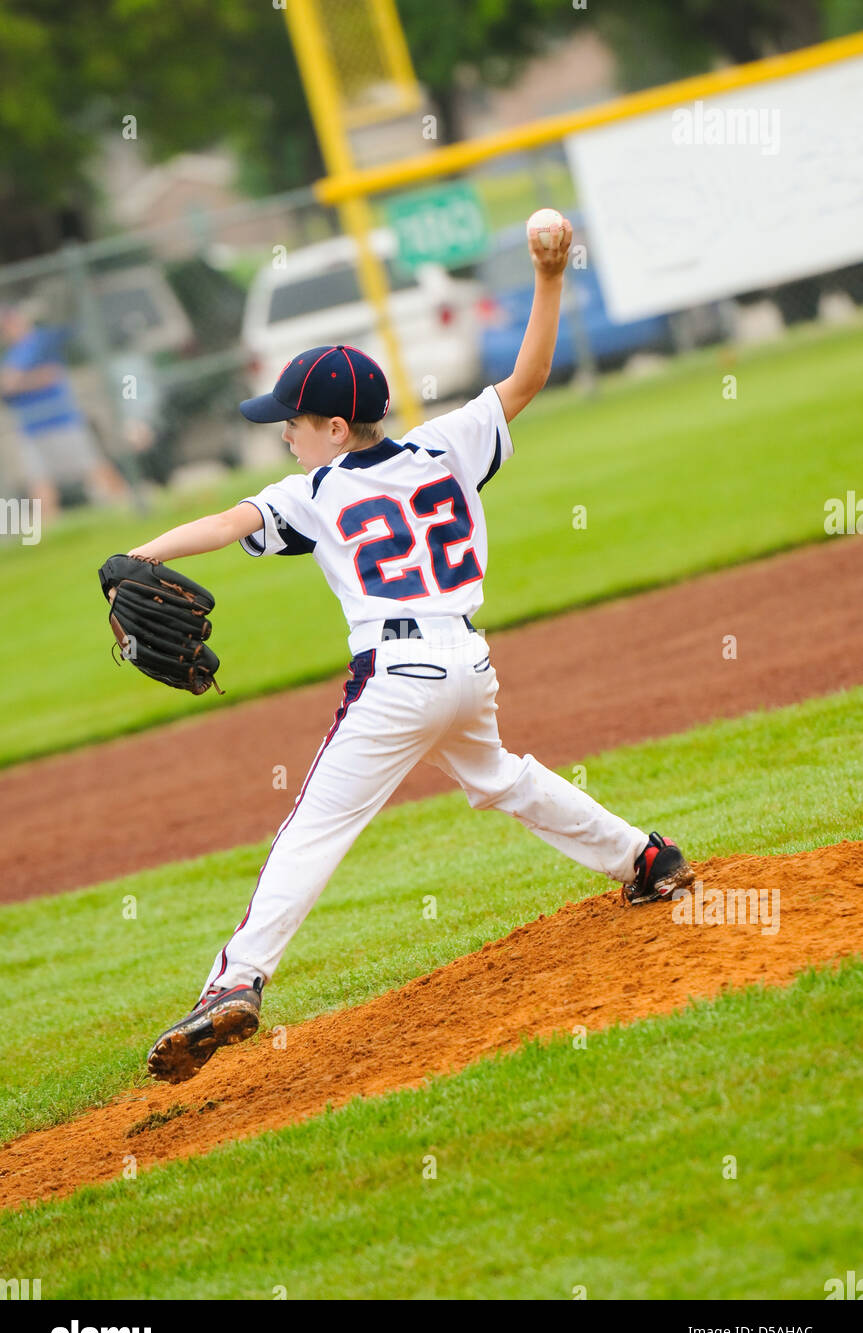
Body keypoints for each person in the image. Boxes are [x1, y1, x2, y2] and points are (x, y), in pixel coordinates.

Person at [134, 218, 695, 1084]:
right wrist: (548, 277)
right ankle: (644, 859)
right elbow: (530, 377)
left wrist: (139, 559)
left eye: (291, 421)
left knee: (313, 829)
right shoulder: (447, 443)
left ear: (329, 425)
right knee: (499, 777)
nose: (283, 433)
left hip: (393, 676)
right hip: (469, 666)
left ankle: (234, 982)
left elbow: (226, 522)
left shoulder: (311, 488)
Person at [0, 303, 129, 520]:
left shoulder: (39, 342)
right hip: (31, 427)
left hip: (60, 421)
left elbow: (44, 376)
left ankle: (130, 505)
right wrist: (18, 382)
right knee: (39, 481)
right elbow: (7, 385)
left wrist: (17, 382)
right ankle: (45, 533)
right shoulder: (12, 354)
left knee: (94, 469)